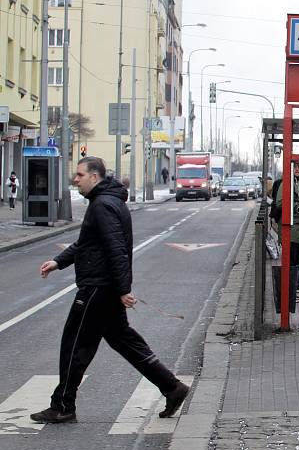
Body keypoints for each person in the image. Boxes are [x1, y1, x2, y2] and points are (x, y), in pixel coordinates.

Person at [33, 156, 189, 424]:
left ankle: (62, 405)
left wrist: (123, 289)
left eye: (80, 175)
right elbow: (86, 243)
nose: (76, 180)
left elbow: (115, 249)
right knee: (125, 342)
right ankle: (172, 387)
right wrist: (59, 262)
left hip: (97, 288)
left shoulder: (103, 205)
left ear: (95, 177)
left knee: (75, 345)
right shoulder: (106, 202)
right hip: (105, 289)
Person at [274, 162, 299, 293]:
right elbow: (280, 203)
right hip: (293, 228)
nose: (297, 169)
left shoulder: (298, 183)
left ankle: (294, 286)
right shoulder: (287, 183)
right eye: (294, 167)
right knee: (292, 259)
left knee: (297, 259)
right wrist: (297, 207)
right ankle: (290, 290)